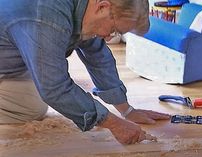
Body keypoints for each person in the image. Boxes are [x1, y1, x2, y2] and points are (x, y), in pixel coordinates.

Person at [0, 0, 170, 144]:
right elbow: (55, 88)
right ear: (103, 7)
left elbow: (97, 55)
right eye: (114, 30)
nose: (110, 37)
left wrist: (127, 111)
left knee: (34, 105)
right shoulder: (45, 17)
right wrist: (114, 124)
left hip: (12, 63)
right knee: (33, 106)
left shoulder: (85, 9)